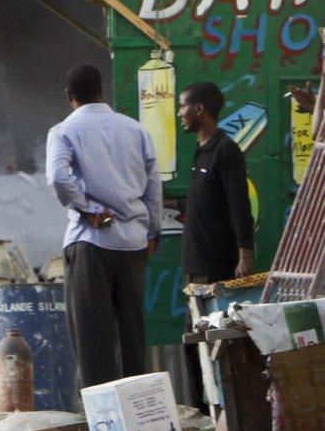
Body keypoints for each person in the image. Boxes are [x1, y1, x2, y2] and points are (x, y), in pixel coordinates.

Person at [46, 63, 161, 392]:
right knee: (132, 336)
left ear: (70, 96)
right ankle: (140, 417)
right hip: (134, 244)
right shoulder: (135, 130)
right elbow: (154, 187)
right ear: (101, 92)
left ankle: (105, 424)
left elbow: (57, 178)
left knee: (92, 337)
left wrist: (89, 208)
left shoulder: (64, 131)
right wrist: (152, 231)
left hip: (90, 244)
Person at [177, 79, 255, 407]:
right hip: (194, 268)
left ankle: (223, 409)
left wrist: (244, 252)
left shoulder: (226, 151)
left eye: (183, 107)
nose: (180, 114)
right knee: (192, 342)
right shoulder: (200, 150)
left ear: (200, 109)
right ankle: (200, 408)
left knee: (216, 342)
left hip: (216, 266)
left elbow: (239, 205)